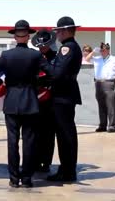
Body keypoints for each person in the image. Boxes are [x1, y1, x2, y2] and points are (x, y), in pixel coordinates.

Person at [0, 20, 49, 188]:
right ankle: (26, 179)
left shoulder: (6, 56)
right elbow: (52, 73)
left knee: (12, 142)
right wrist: (38, 82)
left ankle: (14, 179)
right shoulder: (36, 56)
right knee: (29, 142)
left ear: (15, 37)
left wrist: (2, 84)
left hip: (11, 101)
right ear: (28, 37)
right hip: (30, 102)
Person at [46, 16, 82, 182]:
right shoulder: (71, 47)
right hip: (65, 94)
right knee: (65, 134)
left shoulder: (67, 48)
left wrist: (42, 65)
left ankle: (67, 171)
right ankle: (67, 169)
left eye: (59, 31)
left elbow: (57, 73)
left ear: (67, 31)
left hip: (63, 96)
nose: (57, 34)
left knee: (65, 135)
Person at [31, 28, 57, 173]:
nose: (42, 48)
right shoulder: (34, 57)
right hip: (35, 98)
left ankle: (46, 162)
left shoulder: (56, 57)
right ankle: (34, 160)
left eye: (44, 45)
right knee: (34, 133)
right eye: (40, 46)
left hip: (50, 99)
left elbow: (55, 74)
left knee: (48, 133)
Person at [85, 42, 115, 133]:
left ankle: (112, 126)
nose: (102, 52)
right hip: (98, 84)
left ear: (108, 50)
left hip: (110, 83)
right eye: (101, 50)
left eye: (104, 50)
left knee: (111, 106)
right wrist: (93, 52)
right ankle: (102, 125)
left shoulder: (114, 59)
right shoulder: (97, 59)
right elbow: (86, 59)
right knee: (101, 106)